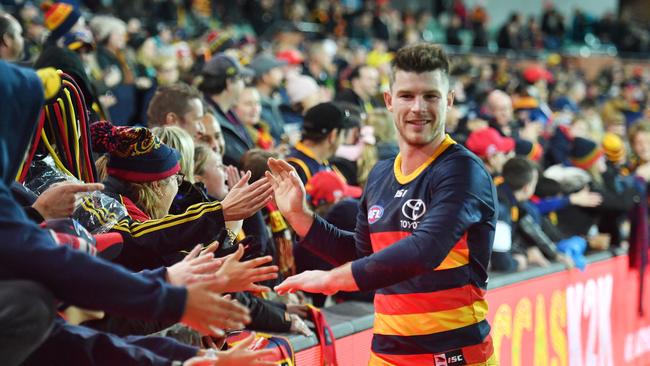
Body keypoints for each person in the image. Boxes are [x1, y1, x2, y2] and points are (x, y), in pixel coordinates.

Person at [268, 43, 497, 365]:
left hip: (452, 355)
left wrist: (332, 279)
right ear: (389, 101)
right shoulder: (380, 174)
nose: (418, 107)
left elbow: (424, 250)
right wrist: (299, 215)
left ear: (448, 100)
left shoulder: (462, 170)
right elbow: (364, 255)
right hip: (387, 355)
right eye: (406, 96)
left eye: (430, 96)